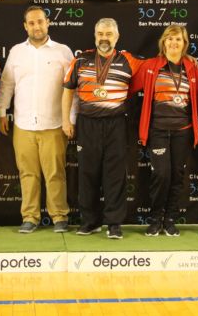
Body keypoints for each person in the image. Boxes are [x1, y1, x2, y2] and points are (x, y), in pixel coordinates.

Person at [62, 18, 142, 239]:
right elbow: (68, 91)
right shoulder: (80, 60)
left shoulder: (129, 60)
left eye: (109, 34)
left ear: (117, 37)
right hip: (87, 123)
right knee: (87, 173)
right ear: (95, 35)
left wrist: (185, 59)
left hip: (116, 123)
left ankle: (114, 223)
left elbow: (154, 68)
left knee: (115, 174)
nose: (104, 38)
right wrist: (66, 121)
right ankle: (90, 221)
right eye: (100, 34)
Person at [0, 6, 74, 234]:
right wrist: (2, 111)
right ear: (25, 26)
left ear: (47, 22)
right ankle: (30, 217)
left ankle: (59, 216)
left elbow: (73, 88)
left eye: (40, 21)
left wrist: (71, 118)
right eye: (31, 23)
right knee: (27, 173)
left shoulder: (63, 52)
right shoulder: (16, 52)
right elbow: (7, 84)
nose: (36, 26)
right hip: (23, 125)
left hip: (54, 124)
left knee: (55, 173)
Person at [130, 25, 198, 237]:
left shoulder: (191, 67)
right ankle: (155, 219)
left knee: (177, 176)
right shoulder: (151, 66)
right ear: (163, 42)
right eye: (170, 39)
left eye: (178, 40)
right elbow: (130, 88)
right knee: (161, 175)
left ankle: (170, 220)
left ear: (184, 44)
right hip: (158, 131)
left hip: (183, 131)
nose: (174, 43)